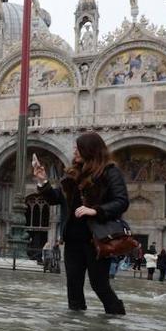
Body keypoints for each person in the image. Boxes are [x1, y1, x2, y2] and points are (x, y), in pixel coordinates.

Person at [35, 131, 129, 315]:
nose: (74, 151)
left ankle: (117, 316)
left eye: (78, 148)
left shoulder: (110, 171)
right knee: (73, 286)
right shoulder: (73, 173)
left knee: (99, 284)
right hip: (73, 239)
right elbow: (57, 199)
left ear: (90, 150)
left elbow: (121, 201)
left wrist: (96, 210)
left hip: (96, 239)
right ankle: (75, 328)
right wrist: (43, 181)